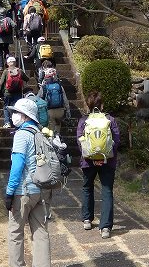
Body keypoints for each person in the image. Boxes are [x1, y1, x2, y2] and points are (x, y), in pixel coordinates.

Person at [4, 97, 51, 267]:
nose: (13, 115)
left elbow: (17, 166)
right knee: (40, 233)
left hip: (22, 192)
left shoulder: (21, 135)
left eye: (16, 112)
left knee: (16, 232)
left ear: (24, 116)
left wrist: (9, 192)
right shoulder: (40, 133)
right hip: (40, 191)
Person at [77, 92, 120, 239]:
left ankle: (87, 219)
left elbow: (80, 141)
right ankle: (105, 227)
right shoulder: (110, 120)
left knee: (87, 187)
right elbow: (116, 140)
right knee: (107, 190)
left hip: (88, 161)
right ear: (102, 105)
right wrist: (104, 156)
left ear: (88, 105)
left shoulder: (84, 120)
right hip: (108, 160)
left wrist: (91, 157)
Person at [0, 56, 29, 128]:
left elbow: (1, 83)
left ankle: (7, 122)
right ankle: (17, 123)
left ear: (8, 63)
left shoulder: (6, 71)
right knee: (16, 108)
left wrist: (0, 93)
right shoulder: (20, 71)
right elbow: (27, 79)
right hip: (18, 93)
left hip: (8, 93)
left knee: (6, 107)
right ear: (15, 63)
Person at [38, 67, 70, 134]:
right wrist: (68, 111)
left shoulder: (44, 87)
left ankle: (52, 138)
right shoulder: (59, 86)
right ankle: (57, 136)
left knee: (51, 128)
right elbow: (65, 99)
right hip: (60, 110)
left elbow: (38, 98)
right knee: (58, 125)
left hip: (49, 111)